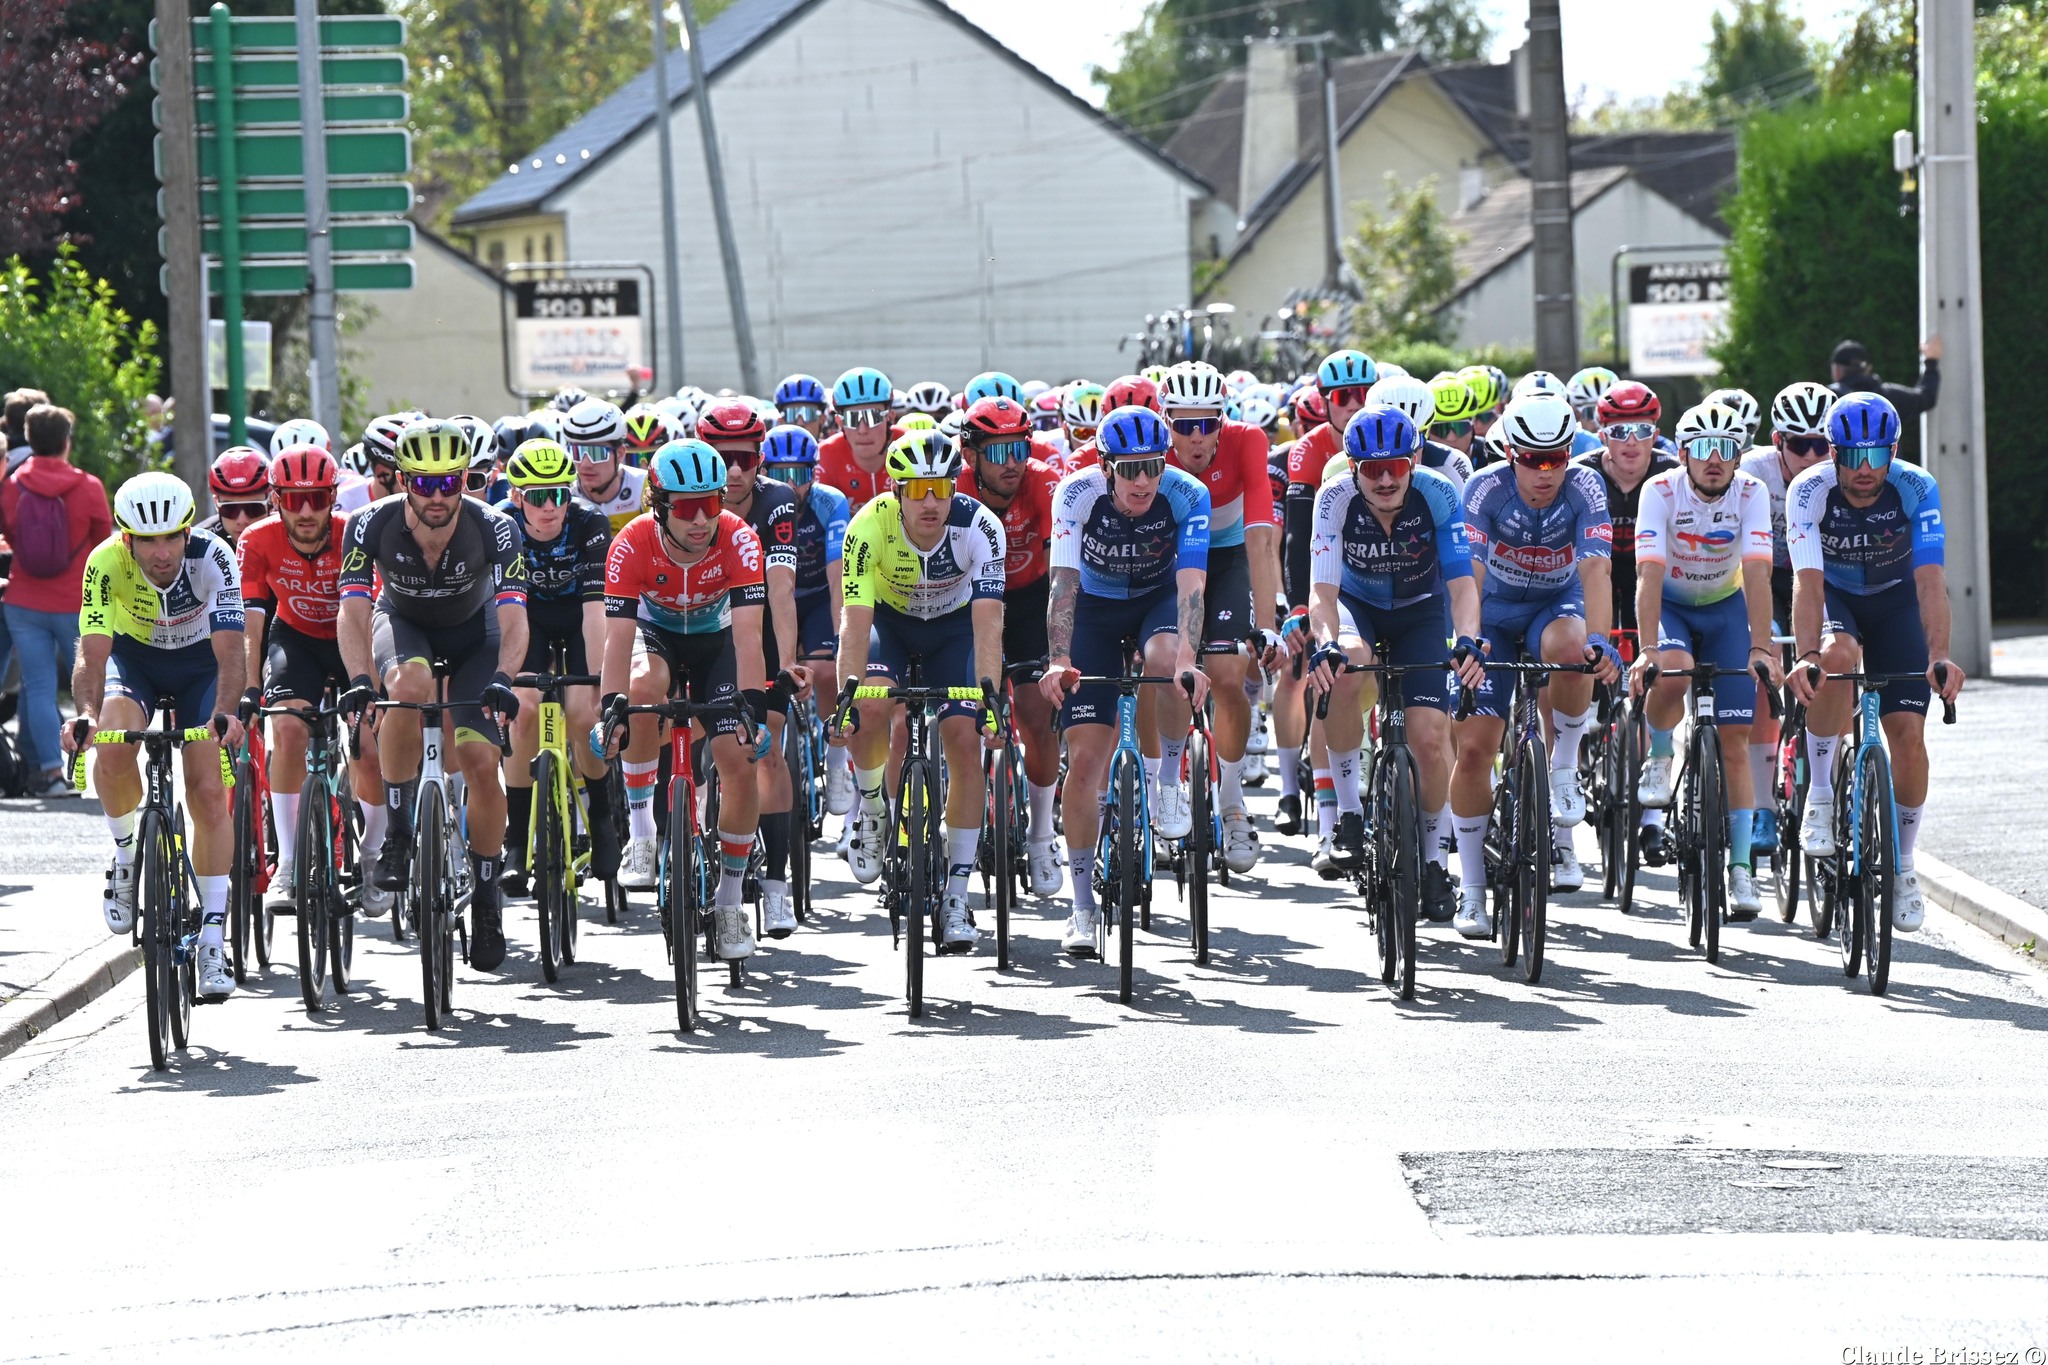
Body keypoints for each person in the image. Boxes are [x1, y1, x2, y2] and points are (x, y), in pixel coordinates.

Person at [338, 419, 529, 972]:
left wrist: (506, 677)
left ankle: (489, 895)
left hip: (477, 635)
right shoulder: (367, 523)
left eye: (451, 482)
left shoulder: (495, 527)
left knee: (476, 758)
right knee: (407, 688)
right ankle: (398, 834)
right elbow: (351, 614)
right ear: (402, 480)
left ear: (466, 480)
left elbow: (515, 618)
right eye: (424, 484)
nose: (439, 496)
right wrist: (358, 681)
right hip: (403, 624)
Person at [63, 472, 246, 1000]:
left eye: (172, 537)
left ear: (188, 533)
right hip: (134, 660)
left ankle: (213, 936)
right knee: (113, 739)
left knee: (209, 790)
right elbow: (92, 653)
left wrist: (225, 714)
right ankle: (125, 858)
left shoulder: (215, 558)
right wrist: (87, 717)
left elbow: (232, 652)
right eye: (149, 540)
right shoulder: (105, 564)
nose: (162, 552)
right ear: (128, 539)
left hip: (200, 666)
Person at [1786, 392, 1963, 932]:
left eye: (1877, 455)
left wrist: (1940, 656)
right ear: (1833, 453)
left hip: (1896, 603)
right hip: (1836, 598)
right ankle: (1819, 792)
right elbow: (1807, 582)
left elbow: (1931, 581)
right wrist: (1807, 654)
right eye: (1853, 456)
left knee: (1908, 734)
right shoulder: (1808, 490)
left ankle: (1905, 866)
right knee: (1838, 657)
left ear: (1893, 452)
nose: (1865, 470)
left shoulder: (1917, 487)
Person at [1040, 406, 1211, 954]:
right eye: (1131, 468)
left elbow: (1191, 586)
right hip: (1092, 608)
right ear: (1106, 465)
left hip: (1155, 601)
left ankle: (1166, 784)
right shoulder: (1074, 493)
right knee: (1086, 762)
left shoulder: (1188, 495)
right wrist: (1058, 659)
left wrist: (1188, 658)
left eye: (1153, 466)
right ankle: (1082, 905)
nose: (1143, 481)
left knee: (1167, 661)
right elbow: (1062, 585)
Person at [1305, 405, 1486, 921]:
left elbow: (1460, 584)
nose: (1385, 478)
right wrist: (1326, 641)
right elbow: (1323, 591)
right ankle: (1349, 814)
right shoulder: (1334, 497)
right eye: (1371, 468)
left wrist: (1468, 638)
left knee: (1430, 739)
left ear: (1413, 460)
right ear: (1352, 465)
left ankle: (1433, 861)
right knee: (1346, 668)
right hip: (1355, 609)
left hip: (1418, 613)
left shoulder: (1438, 493)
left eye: (1396, 467)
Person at [1450, 392, 1620, 937]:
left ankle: (1564, 764)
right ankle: (1472, 890)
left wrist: (1601, 640)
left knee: (1575, 651)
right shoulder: (1485, 488)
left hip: (1554, 605)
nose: (1546, 472)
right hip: (1494, 614)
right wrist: (1468, 640)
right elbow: (1469, 575)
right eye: (1532, 459)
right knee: (1474, 748)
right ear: (1508, 451)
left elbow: (1596, 572)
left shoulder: (1586, 486)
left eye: (1558, 458)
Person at [597, 440, 770, 961]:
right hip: (659, 638)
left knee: (737, 759)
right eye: (687, 507)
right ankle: (644, 831)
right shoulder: (630, 543)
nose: (701, 520)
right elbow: (617, 641)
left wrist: (753, 712)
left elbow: (748, 641)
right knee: (643, 687)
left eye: (712, 504)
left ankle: (730, 900)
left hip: (717, 644)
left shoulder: (740, 540)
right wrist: (612, 709)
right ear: (658, 503)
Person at [833, 430, 1006, 951]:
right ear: (895, 490)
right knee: (869, 708)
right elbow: (855, 623)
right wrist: (846, 695)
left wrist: (991, 699)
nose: (930, 501)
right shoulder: (867, 527)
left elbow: (989, 625)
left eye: (941, 488)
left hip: (954, 631)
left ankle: (956, 895)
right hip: (891, 624)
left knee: (962, 739)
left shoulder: (981, 528)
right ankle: (871, 807)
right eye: (916, 490)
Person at [1629, 403, 1781, 918]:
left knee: (1735, 743)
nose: (1715, 460)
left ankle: (1741, 871)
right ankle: (1658, 753)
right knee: (1671, 672)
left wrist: (1760, 647)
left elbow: (1759, 574)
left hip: (1726, 609)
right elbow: (1648, 574)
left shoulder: (1752, 493)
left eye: (1726, 449)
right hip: (1671, 604)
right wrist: (1646, 649)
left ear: (1738, 456)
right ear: (1683, 453)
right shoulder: (1661, 490)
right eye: (1703, 449)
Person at [237, 445, 392, 917]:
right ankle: (287, 864)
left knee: (366, 742)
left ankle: (372, 859)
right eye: (293, 499)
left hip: (353, 638)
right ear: (275, 499)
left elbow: (370, 612)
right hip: (296, 638)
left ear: (332, 496)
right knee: (284, 728)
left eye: (318, 498)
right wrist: (248, 687)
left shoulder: (354, 536)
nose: (306, 511)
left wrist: (369, 679)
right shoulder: (257, 539)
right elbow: (251, 623)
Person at [1158, 361, 1285, 872]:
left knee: (1230, 672)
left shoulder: (1247, 441)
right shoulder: (1153, 448)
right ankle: (1166, 789)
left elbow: (1259, 535)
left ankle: (1231, 803)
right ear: (1166, 422)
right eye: (1184, 425)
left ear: (1222, 420)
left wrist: (1268, 623)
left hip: (1228, 553)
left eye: (1207, 423)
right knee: (1163, 670)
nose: (1196, 436)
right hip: (1165, 555)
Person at [494, 438, 619, 893]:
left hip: (578, 615)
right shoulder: (501, 525)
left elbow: (595, 613)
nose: (550, 507)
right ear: (515, 496)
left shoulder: (590, 524)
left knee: (584, 714)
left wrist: (599, 682)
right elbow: (505, 616)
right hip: (527, 620)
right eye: (537, 496)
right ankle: (515, 839)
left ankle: (602, 818)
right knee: (524, 710)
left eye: (559, 495)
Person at [703, 399, 808, 939]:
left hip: (759, 631)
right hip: (697, 629)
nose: (737, 470)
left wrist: (787, 662)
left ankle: (776, 883)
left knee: (766, 755)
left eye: (745, 457)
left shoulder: (778, 502)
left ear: (760, 456)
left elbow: (782, 589)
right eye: (724, 459)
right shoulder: (687, 500)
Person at [955, 395, 1065, 891]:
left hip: (1028, 600)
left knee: (1035, 711)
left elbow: (1059, 562)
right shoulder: (953, 490)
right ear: (970, 454)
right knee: (971, 715)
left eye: (1019, 448)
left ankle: (1042, 834)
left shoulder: (1042, 481)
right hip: (969, 601)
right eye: (998, 452)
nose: (1013, 463)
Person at [1577, 379, 1677, 868]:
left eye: (1643, 431)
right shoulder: (1581, 476)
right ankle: (1581, 750)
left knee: (1652, 688)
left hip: (1650, 584)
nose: (1632, 442)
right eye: (1620, 431)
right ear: (1600, 433)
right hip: (1595, 581)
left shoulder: (1672, 475)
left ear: (1656, 433)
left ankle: (1654, 819)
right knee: (1580, 673)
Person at [1738, 380, 1835, 851]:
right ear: (1778, 442)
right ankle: (1762, 807)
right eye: (1802, 445)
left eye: (1823, 445)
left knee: (1837, 666)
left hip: (1816, 575)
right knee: (1766, 662)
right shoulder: (1752, 471)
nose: (1815, 455)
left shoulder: (1842, 472)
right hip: (1764, 575)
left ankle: (1829, 787)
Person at [1, 403, 112, 795]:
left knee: (38, 685)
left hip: (23, 600)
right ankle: (105, 767)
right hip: (77, 601)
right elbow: (106, 545)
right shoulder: (88, 486)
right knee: (97, 679)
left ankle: (50, 772)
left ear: (29, 440)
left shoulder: (12, 485)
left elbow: (11, 538)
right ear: (66, 442)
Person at [761, 424, 855, 819]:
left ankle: (836, 761)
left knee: (823, 667)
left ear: (813, 475)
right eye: (780, 474)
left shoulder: (830, 502)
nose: (790, 485)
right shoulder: (759, 502)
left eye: (799, 475)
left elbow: (838, 580)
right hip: (770, 598)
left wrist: (839, 642)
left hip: (816, 595)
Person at [818, 367, 900, 512]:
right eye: (852, 419)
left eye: (873, 417)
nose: (863, 429)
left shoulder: (912, 445)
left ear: (890, 417)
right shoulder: (824, 456)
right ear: (839, 422)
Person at [562, 398, 645, 534]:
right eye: (577, 452)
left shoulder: (644, 486)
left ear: (620, 453)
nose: (585, 464)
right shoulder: (565, 495)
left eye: (597, 453)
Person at [1829, 337, 1942, 422]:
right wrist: (1931, 361)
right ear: (1868, 368)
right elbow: (1926, 397)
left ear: (1836, 370)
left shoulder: (1827, 400)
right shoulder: (1889, 396)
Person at [201, 447, 272, 548]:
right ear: (216, 503)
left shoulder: (291, 535)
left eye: (254, 509)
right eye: (230, 509)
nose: (242, 520)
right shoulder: (202, 542)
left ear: (271, 502)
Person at [773, 375, 830, 440]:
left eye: (808, 414)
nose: (800, 423)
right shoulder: (766, 450)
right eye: (792, 414)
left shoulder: (832, 449)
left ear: (822, 419)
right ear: (781, 421)